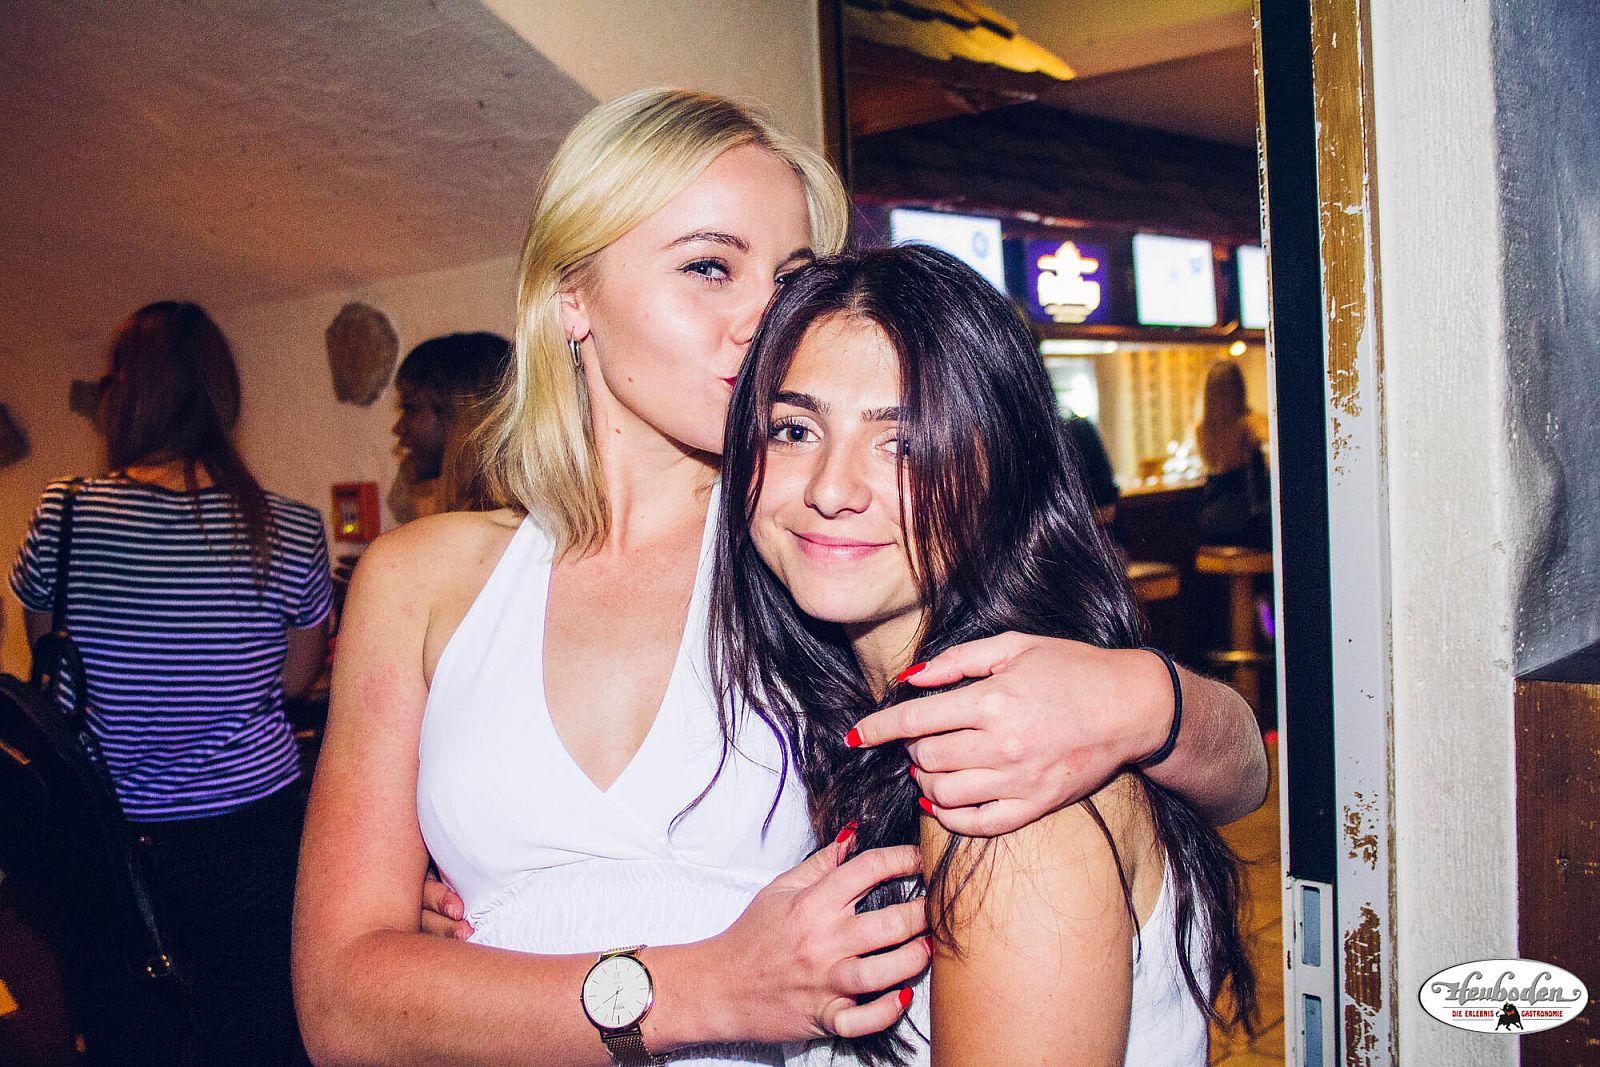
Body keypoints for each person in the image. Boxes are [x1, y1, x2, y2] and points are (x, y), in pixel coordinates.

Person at [294, 88, 1266, 1066]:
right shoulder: (429, 577)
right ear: (571, 294)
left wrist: (1146, 699)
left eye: (791, 278)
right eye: (710, 266)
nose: (764, 319)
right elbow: (343, 1002)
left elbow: (1205, 783)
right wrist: (620, 968)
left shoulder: (817, 552)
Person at [712, 245, 1255, 1065]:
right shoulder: (858, 706)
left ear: (1003, 471)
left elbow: (1247, 770)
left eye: (902, 444)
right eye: (795, 429)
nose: (830, 488)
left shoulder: (1007, 790)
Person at [10, 301, 333, 1064]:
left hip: (108, 836)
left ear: (122, 394)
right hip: (250, 832)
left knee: (128, 1031)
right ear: (223, 396)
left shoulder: (65, 512)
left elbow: (51, 661)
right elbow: (295, 679)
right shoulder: (289, 526)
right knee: (259, 1030)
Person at [388, 331, 513, 522]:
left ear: (463, 414)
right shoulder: (474, 514)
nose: (398, 428)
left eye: (411, 409)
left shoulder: (490, 522)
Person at [1192, 360, 1271, 549]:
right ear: (1239, 389)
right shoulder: (1249, 425)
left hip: (1210, 519)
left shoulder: (1201, 429)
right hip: (1244, 521)